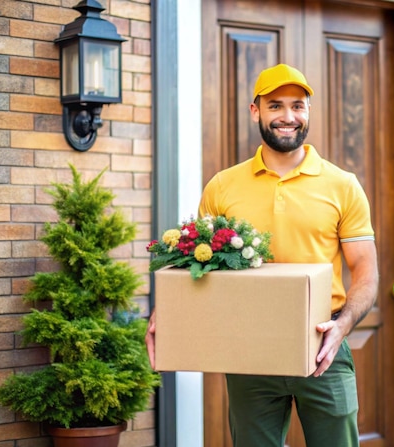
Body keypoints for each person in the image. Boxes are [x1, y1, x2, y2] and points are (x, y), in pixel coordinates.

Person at [145, 63, 379, 447]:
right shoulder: (223, 185)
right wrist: (167, 311)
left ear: (308, 112)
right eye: (275, 106)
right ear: (256, 111)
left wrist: (344, 326)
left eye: (298, 106)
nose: (288, 116)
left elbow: (366, 273)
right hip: (249, 345)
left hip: (325, 345)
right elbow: (195, 262)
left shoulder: (343, 186)